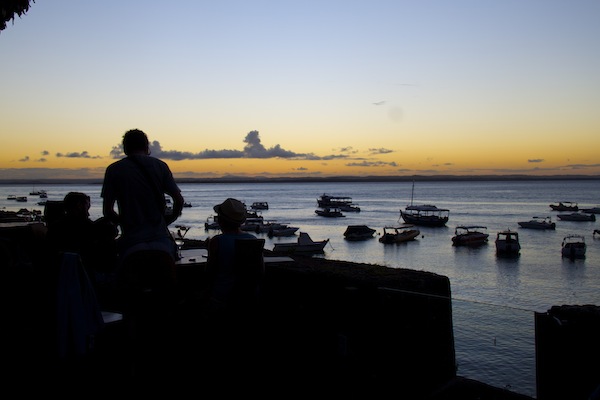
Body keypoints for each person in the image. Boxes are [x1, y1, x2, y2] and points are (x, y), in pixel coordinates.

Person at [101, 128, 184, 378]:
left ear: (124, 148)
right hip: (161, 246)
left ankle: (132, 364)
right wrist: (168, 220)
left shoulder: (114, 170)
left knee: (131, 310)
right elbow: (178, 199)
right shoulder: (160, 166)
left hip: (131, 246)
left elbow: (107, 212)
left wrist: (125, 222)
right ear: (147, 146)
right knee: (167, 308)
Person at [204, 198, 265, 384]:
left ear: (220, 220)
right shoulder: (253, 240)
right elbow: (260, 273)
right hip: (248, 301)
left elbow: (209, 275)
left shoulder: (217, 242)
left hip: (221, 301)